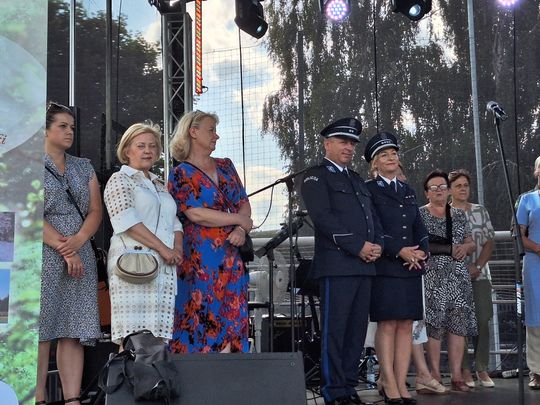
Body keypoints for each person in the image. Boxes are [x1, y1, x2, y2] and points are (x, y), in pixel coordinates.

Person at [301, 117, 384, 405]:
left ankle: (348, 387)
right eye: (342, 142)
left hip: (365, 265)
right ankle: (334, 391)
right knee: (335, 331)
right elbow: (323, 218)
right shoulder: (316, 176)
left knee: (356, 332)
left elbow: (372, 218)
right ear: (327, 144)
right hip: (338, 266)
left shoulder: (356, 179)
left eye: (352, 143)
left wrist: (378, 246)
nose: (349, 147)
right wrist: (358, 246)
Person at [168, 110, 252, 353]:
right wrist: (239, 220)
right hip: (199, 258)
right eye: (211, 130)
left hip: (232, 254)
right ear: (193, 132)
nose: (216, 136)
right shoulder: (180, 173)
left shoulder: (226, 166)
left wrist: (240, 229)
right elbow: (195, 213)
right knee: (201, 315)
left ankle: (231, 370)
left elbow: (243, 202)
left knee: (233, 315)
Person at [37, 102, 102, 405]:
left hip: (80, 249)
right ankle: (37, 399)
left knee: (73, 329)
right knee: (41, 329)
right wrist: (64, 247)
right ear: (44, 129)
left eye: (72, 127)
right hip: (42, 251)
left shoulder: (83, 166)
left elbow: (95, 210)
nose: (69, 132)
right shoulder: (26, 164)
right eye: (62, 126)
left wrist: (78, 241)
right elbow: (25, 211)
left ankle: (72, 400)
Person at [103, 122, 183, 346]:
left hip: (164, 268)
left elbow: (175, 222)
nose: (148, 150)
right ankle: (127, 371)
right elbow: (126, 220)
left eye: (152, 146)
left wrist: (177, 249)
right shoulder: (120, 179)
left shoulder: (160, 185)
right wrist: (163, 248)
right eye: (141, 146)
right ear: (127, 150)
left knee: (158, 337)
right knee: (133, 338)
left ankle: (155, 371)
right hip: (133, 266)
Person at [364, 132, 428, 404]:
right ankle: (388, 381)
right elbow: (373, 227)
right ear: (375, 163)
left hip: (411, 266)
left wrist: (422, 250)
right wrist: (399, 250)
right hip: (386, 265)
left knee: (406, 324)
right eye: (384, 155)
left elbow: (418, 226)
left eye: (394, 153)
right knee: (388, 324)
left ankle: (402, 383)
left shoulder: (407, 190)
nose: (391, 158)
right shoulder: (369, 189)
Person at [419, 170, 477, 392]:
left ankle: (456, 375)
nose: (439, 191)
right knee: (434, 325)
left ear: (448, 190)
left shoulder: (459, 215)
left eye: (442, 187)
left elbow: (470, 242)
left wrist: (465, 247)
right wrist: (448, 249)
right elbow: (420, 245)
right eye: (434, 188)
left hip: (458, 278)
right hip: (432, 278)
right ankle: (434, 374)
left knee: (458, 325)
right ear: (427, 193)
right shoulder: (420, 215)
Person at [449, 169, 496, 388]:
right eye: (458, 185)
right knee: (459, 323)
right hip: (453, 277)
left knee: (482, 320)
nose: (463, 189)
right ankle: (464, 369)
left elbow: (489, 242)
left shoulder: (480, 211)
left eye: (465, 185)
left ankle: (481, 367)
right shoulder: (443, 213)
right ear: (450, 189)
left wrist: (477, 266)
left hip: (480, 274)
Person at [516, 155, 540, 390]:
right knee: (536, 316)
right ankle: (537, 371)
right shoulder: (527, 200)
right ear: (536, 171)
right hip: (534, 264)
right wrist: (538, 248)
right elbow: (518, 234)